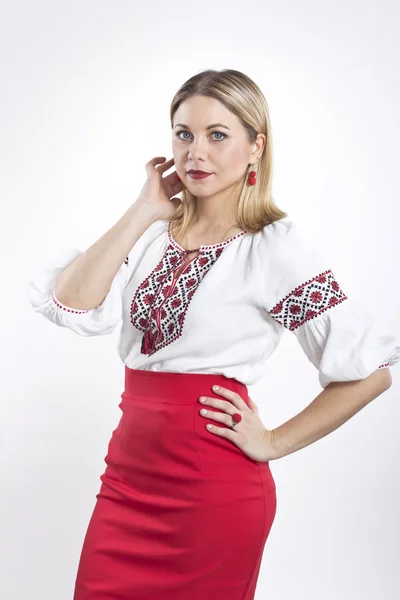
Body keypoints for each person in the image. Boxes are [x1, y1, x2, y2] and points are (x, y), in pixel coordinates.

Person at [27, 69, 400, 600]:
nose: (195, 151)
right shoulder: (155, 233)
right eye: (184, 134)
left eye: (217, 135)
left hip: (212, 496)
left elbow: (370, 372)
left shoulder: (273, 247)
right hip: (126, 484)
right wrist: (143, 210)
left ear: (256, 147)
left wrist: (273, 441)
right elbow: (72, 302)